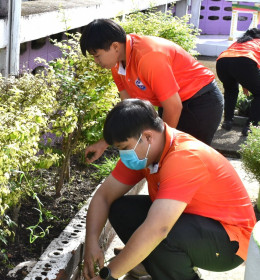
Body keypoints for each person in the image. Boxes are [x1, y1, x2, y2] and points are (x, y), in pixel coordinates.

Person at [82, 98, 256, 280]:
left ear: (148, 136)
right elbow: (104, 197)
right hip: (194, 223)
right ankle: (157, 269)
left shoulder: (184, 156)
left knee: (162, 234)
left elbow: (159, 229)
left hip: (231, 242)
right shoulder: (144, 151)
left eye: (124, 148)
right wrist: (91, 243)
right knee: (121, 210)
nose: (123, 155)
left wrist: (108, 275)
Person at [80, 18, 224, 163]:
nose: (96, 62)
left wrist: (161, 149)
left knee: (186, 162)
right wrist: (104, 142)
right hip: (173, 104)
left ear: (115, 46)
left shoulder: (148, 56)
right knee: (164, 161)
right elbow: (130, 113)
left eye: (97, 56)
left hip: (201, 103)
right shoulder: (118, 66)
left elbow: (173, 107)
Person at [216, 28, 260, 136]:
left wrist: (246, 83)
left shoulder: (239, 42)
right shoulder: (258, 42)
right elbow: (244, 64)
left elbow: (235, 62)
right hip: (245, 62)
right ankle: (251, 127)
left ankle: (227, 121)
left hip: (222, 62)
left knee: (231, 91)